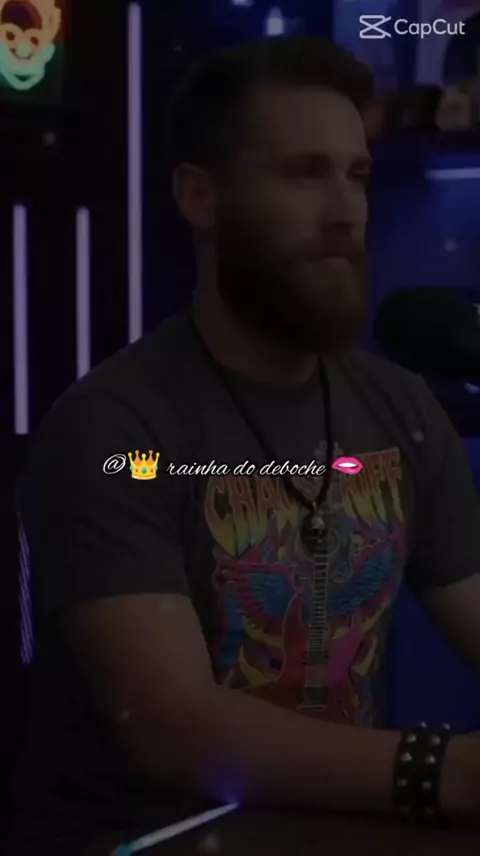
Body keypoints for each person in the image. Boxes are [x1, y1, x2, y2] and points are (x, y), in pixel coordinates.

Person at [9, 35, 480, 856]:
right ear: (200, 197)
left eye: (357, 176)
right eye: (304, 175)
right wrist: (444, 772)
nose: (345, 212)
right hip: (147, 840)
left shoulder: (401, 408)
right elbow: (175, 730)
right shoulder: (114, 428)